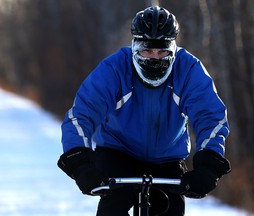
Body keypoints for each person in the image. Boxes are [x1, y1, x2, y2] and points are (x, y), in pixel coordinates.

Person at [57, 6, 231, 216]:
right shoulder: (114, 68)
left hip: (167, 158)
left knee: (172, 209)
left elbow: (211, 117)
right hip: (117, 152)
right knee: (114, 204)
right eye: (147, 50)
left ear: (173, 48)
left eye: (162, 51)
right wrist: (79, 162)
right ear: (135, 46)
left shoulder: (189, 69)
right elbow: (81, 115)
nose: (155, 58)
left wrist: (209, 163)